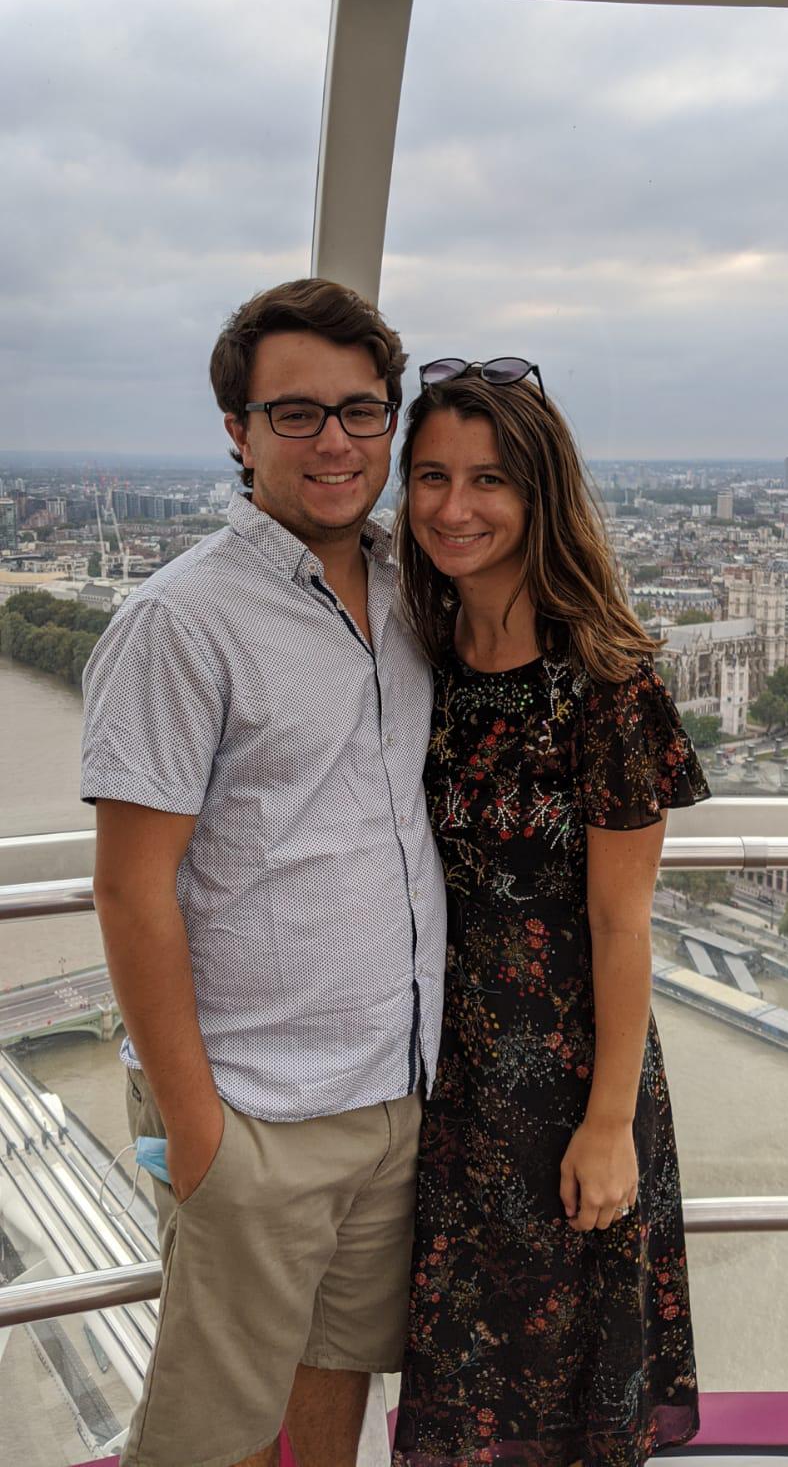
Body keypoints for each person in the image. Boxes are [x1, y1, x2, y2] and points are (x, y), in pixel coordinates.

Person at [80, 279, 446, 1467]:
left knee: (338, 1392)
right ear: (236, 432)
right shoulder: (178, 623)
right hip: (254, 1111)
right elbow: (132, 888)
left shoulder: (414, 588)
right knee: (211, 1436)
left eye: (361, 410)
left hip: (393, 1098)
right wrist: (199, 1138)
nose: (335, 441)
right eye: (294, 413)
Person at [390, 359, 710, 1467]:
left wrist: (608, 1126)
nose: (452, 507)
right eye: (428, 477)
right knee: (461, 1382)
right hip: (450, 1088)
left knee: (556, 1400)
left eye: (487, 479)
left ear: (538, 494)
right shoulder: (418, 663)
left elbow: (624, 927)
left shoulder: (604, 683)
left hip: (571, 1093)